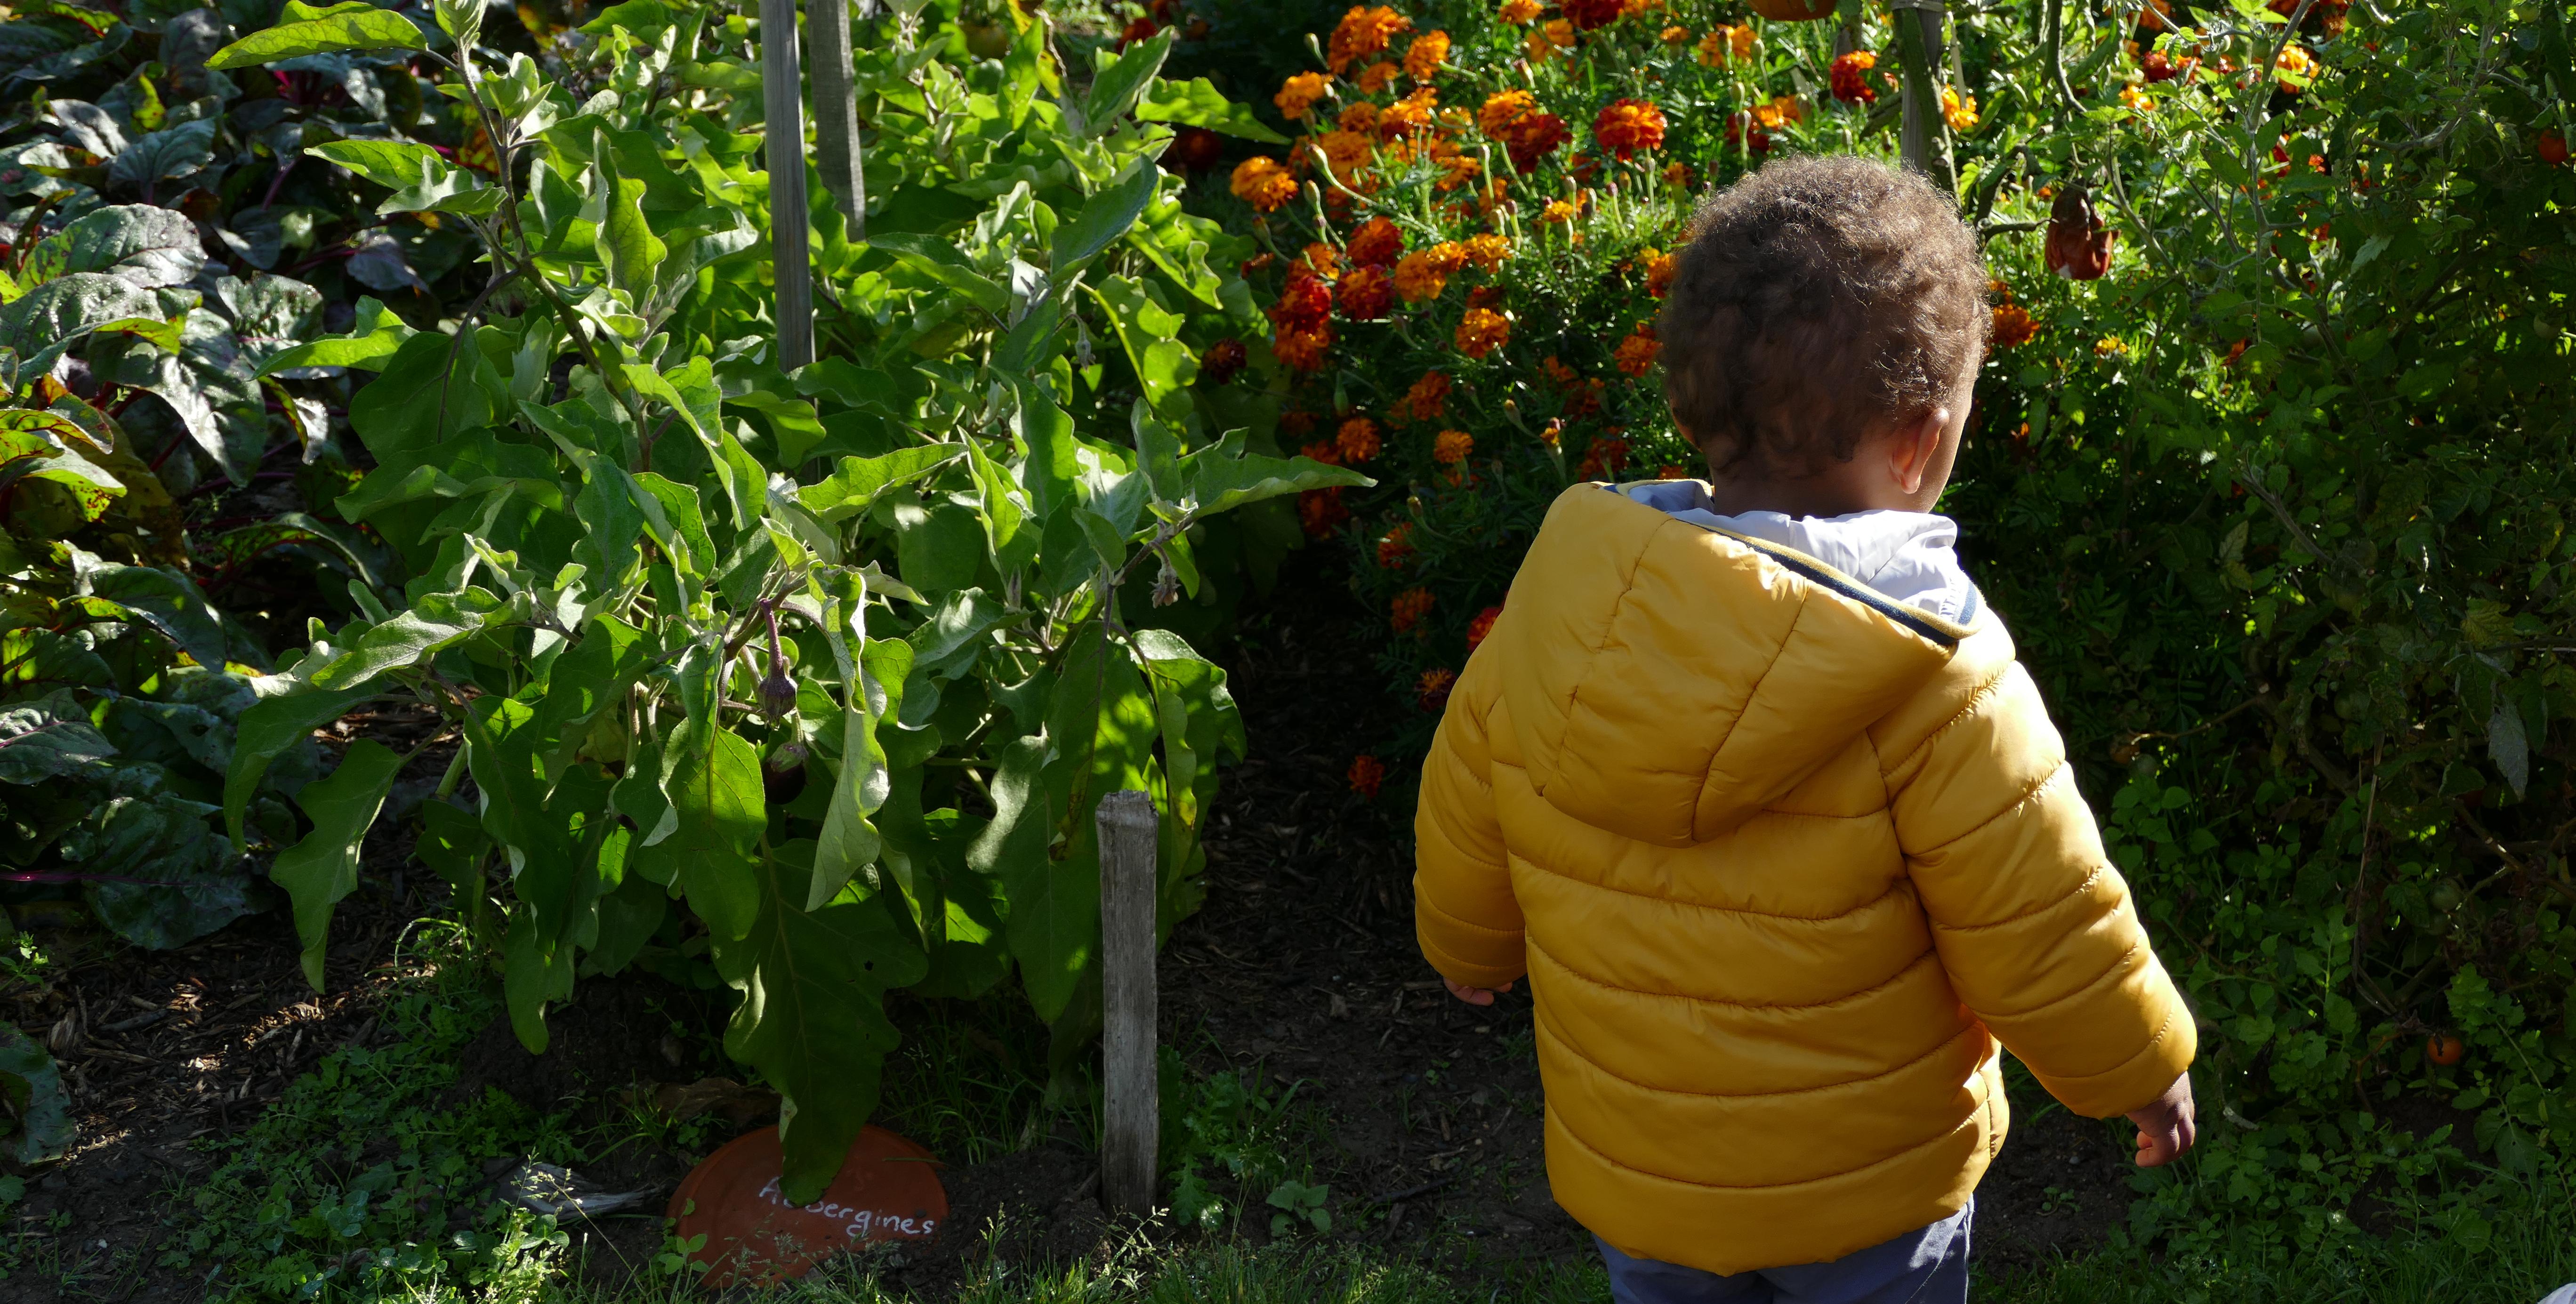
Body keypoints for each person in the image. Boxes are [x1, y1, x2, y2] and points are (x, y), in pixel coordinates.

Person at [1411, 156, 2199, 1304]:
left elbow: (1469, 795)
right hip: (1868, 1202)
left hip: (1649, 1183)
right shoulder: (1932, 670)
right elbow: (2040, 917)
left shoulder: (1567, 601)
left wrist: (1465, 947)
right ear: (1923, 440)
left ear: (1696, 407)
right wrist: (2142, 1066)